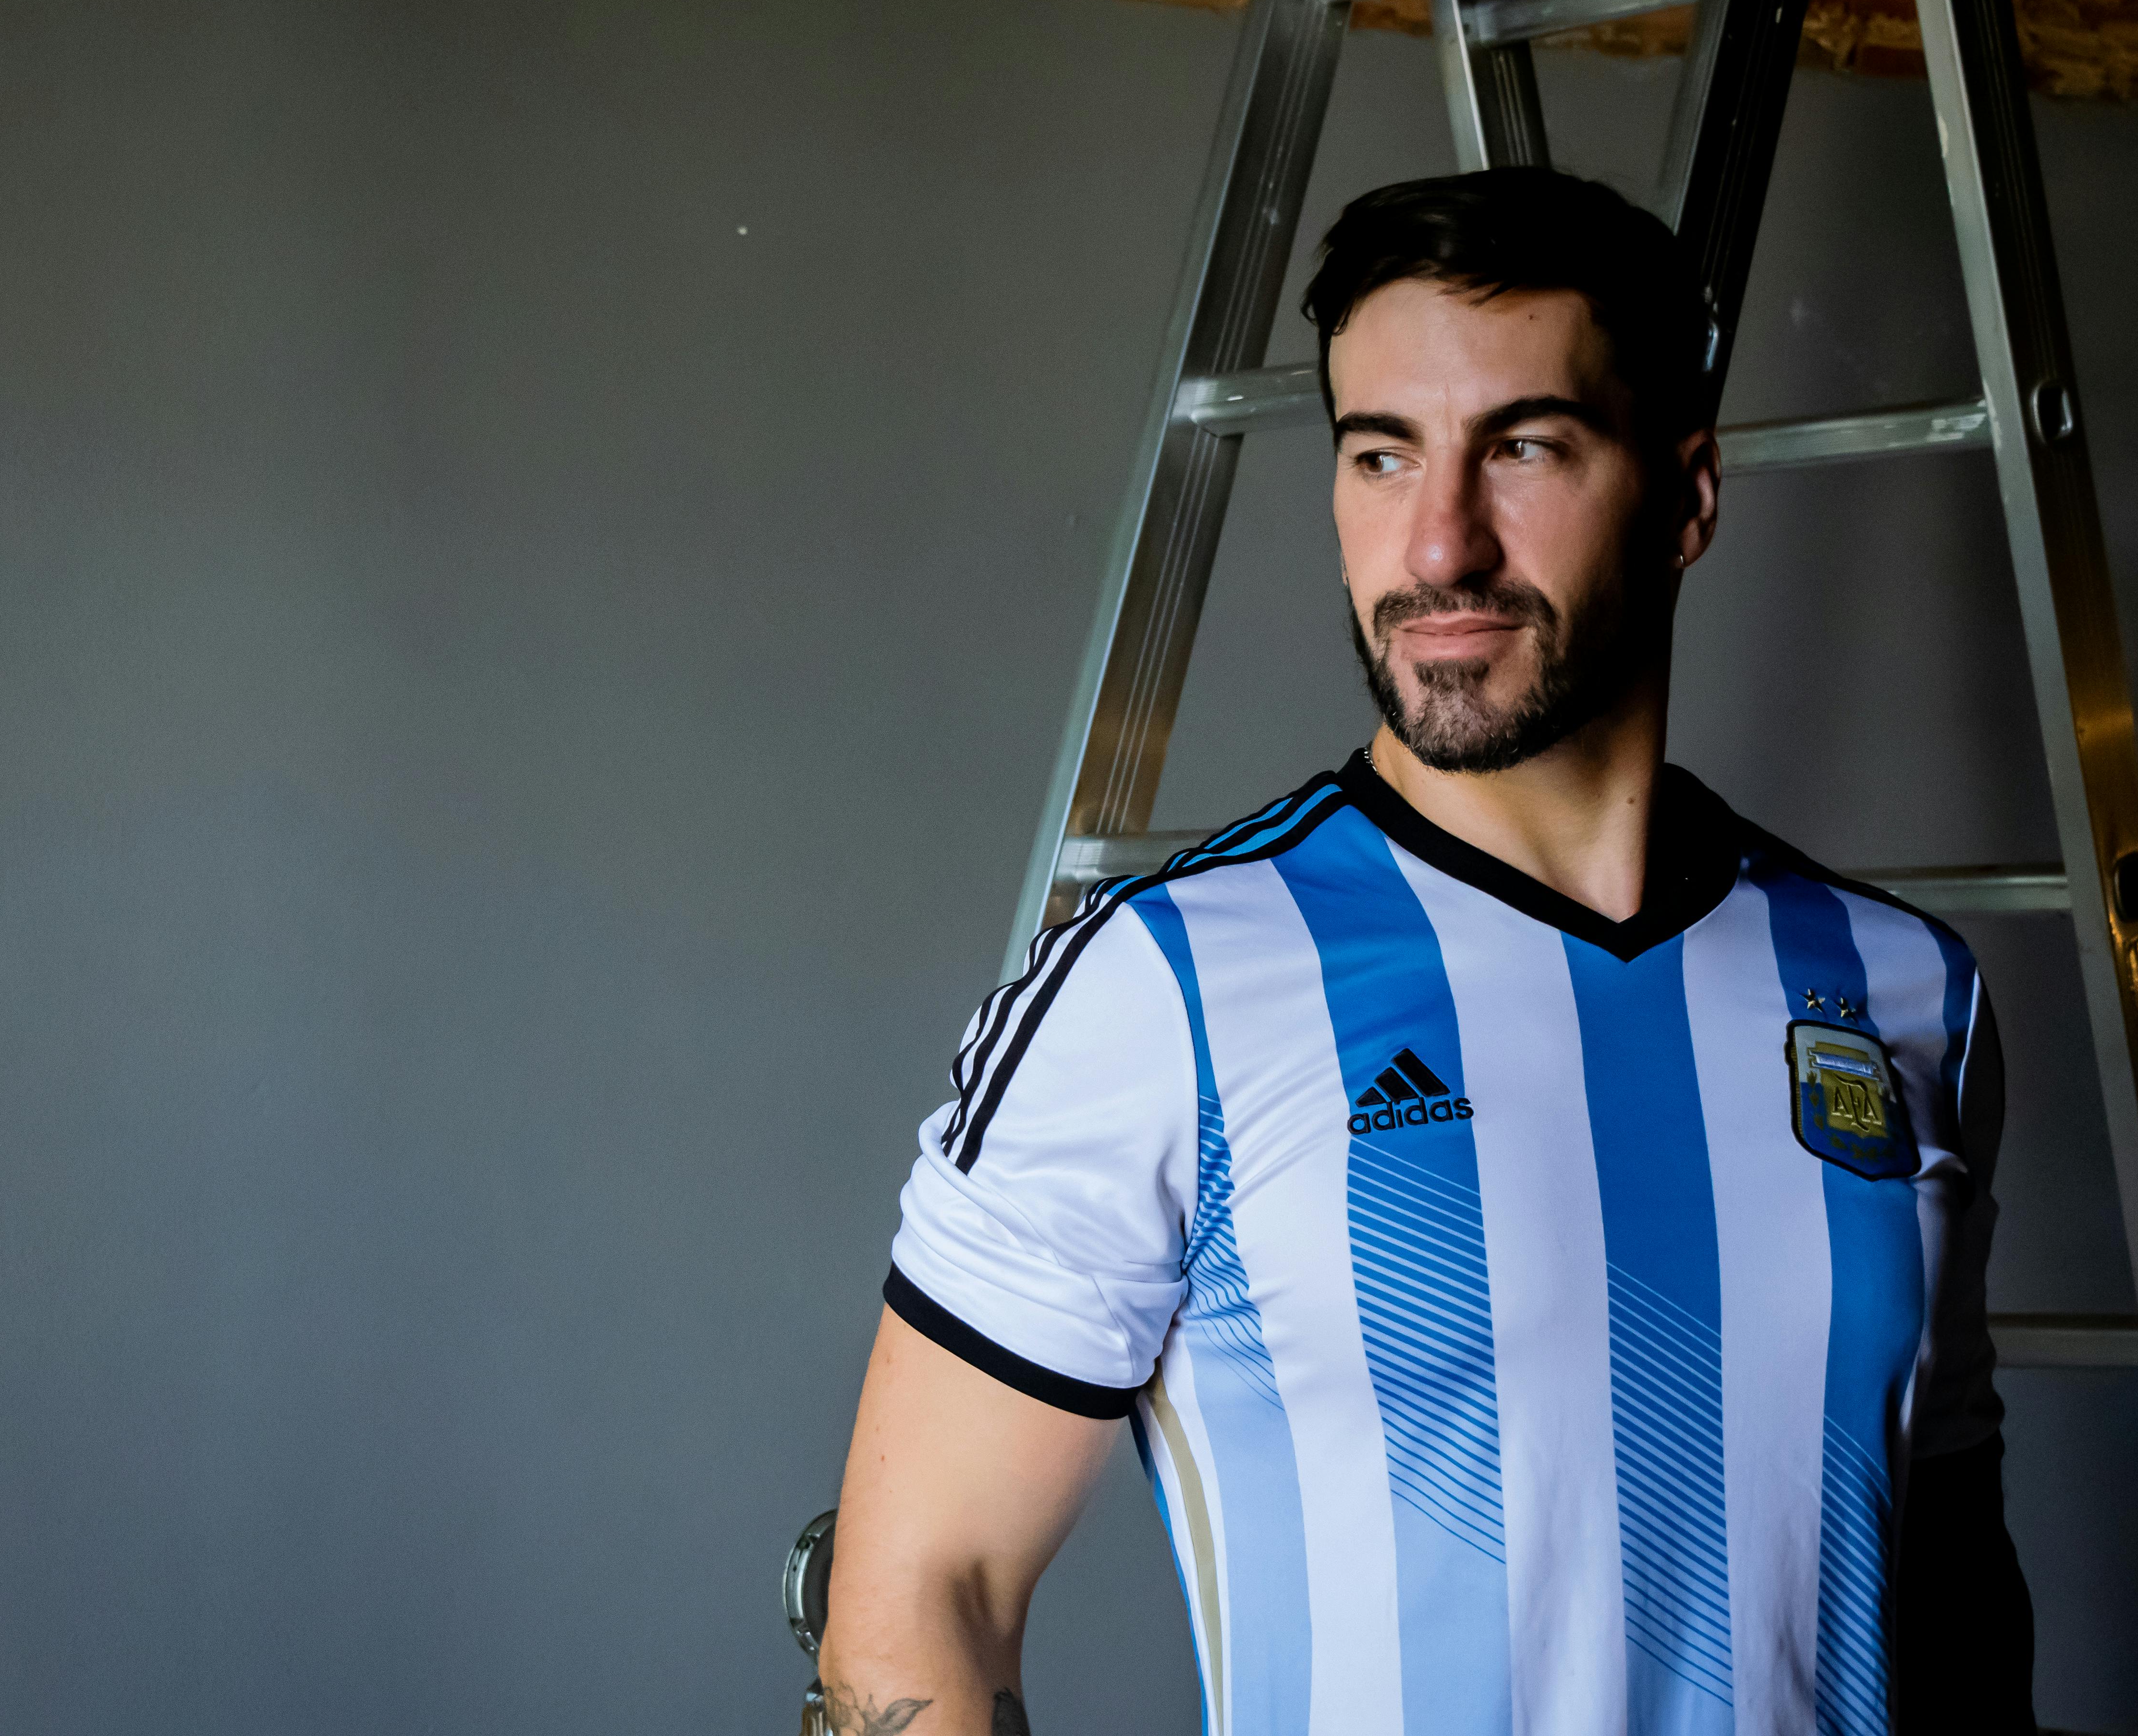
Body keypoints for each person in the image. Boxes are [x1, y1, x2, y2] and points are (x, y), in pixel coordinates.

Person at [816, 168, 2036, 1736]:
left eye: (1524, 446)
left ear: (1690, 495)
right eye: (1382, 454)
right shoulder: (1166, 988)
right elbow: (919, 1605)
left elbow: (1944, 1581)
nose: (1440, 545)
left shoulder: (1902, 992)